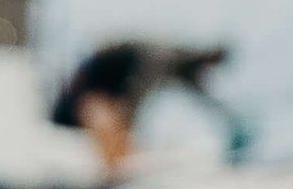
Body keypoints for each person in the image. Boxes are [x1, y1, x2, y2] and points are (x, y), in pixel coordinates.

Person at [50, 39, 233, 169]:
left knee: (115, 126)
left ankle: (115, 169)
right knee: (112, 126)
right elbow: (137, 91)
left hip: (106, 86)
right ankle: (113, 171)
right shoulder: (163, 58)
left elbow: (202, 97)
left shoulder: (179, 63)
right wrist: (129, 122)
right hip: (94, 82)